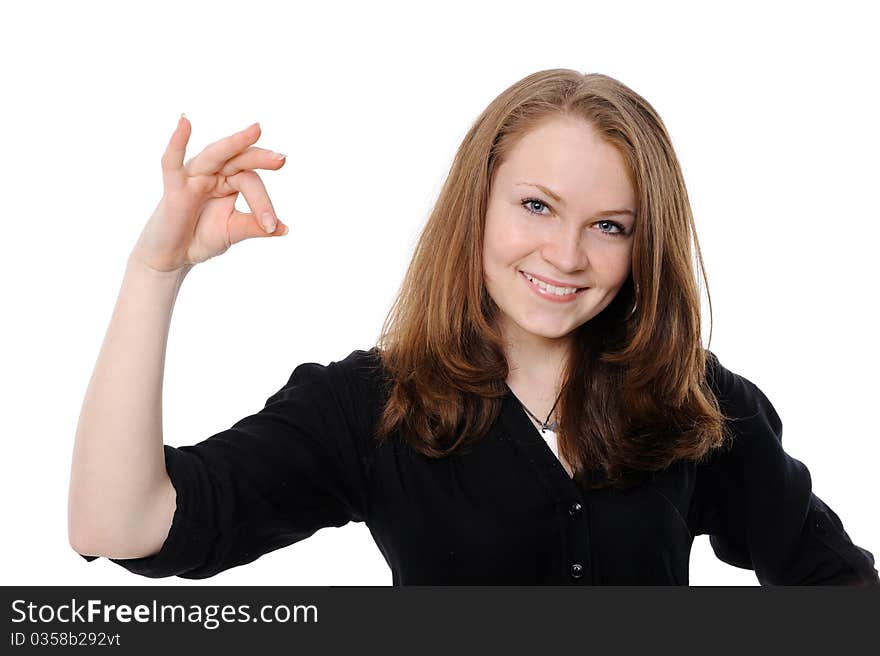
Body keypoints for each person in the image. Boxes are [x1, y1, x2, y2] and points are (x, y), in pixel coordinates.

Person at [68, 68, 879, 585]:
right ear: (478, 204)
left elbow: (835, 588)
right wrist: (156, 272)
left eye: (611, 226)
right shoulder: (369, 405)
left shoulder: (694, 400)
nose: (565, 255)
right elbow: (122, 526)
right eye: (537, 207)